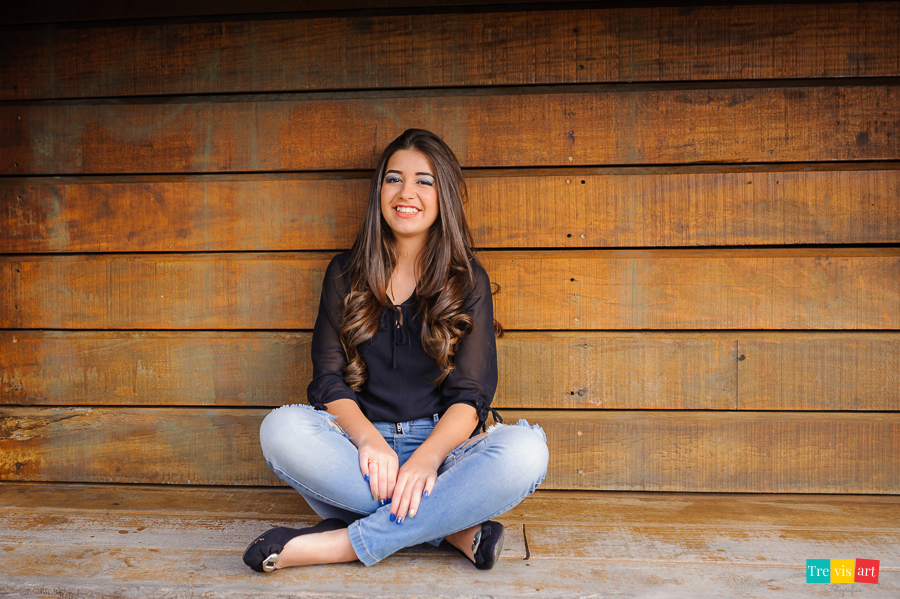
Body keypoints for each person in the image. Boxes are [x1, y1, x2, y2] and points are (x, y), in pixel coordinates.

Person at [242, 129, 549, 573]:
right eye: (394, 179)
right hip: (360, 456)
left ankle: (340, 544)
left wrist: (426, 459)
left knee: (526, 452)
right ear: (379, 191)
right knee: (280, 429)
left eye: (424, 181)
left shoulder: (467, 280)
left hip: (443, 456)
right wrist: (369, 440)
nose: (407, 193)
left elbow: (471, 396)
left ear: (444, 195)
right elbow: (327, 380)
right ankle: (452, 529)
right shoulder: (344, 272)